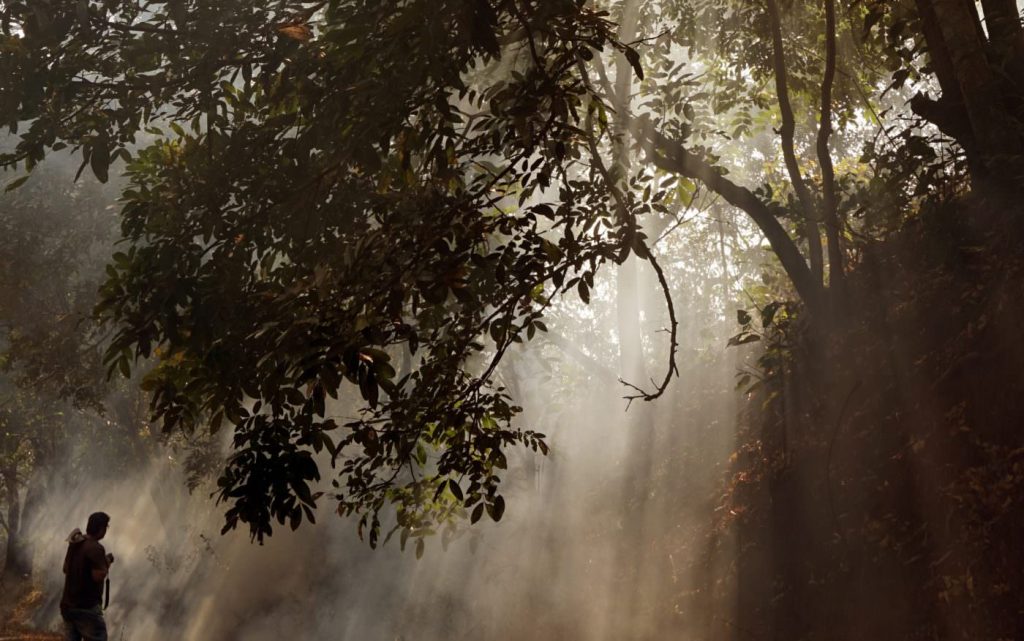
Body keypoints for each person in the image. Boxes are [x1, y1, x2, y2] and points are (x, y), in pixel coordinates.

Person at [60, 512, 114, 641]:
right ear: (101, 528)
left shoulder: (75, 543)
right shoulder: (96, 548)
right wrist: (106, 563)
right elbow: (98, 576)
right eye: (106, 527)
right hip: (86, 608)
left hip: (68, 607)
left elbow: (65, 569)